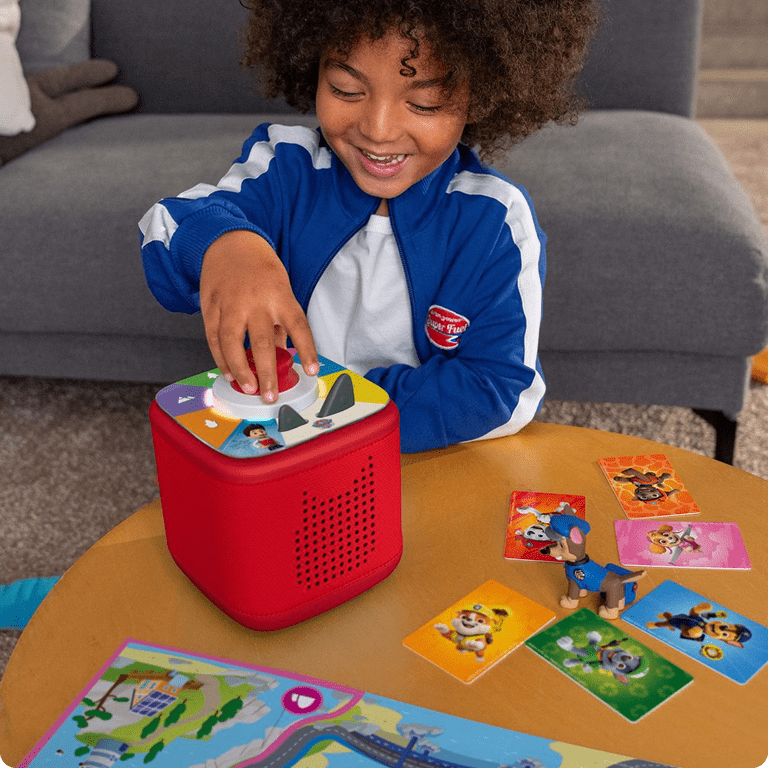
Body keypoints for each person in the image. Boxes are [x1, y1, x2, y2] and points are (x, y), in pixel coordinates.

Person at [139, 0, 601, 453]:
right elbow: (166, 224)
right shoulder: (286, 168)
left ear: (480, 96)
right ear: (313, 67)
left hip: (409, 458)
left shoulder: (496, 221)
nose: (378, 130)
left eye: (424, 102)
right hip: (280, 451)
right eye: (344, 88)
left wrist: (338, 408)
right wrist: (228, 247)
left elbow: (504, 389)